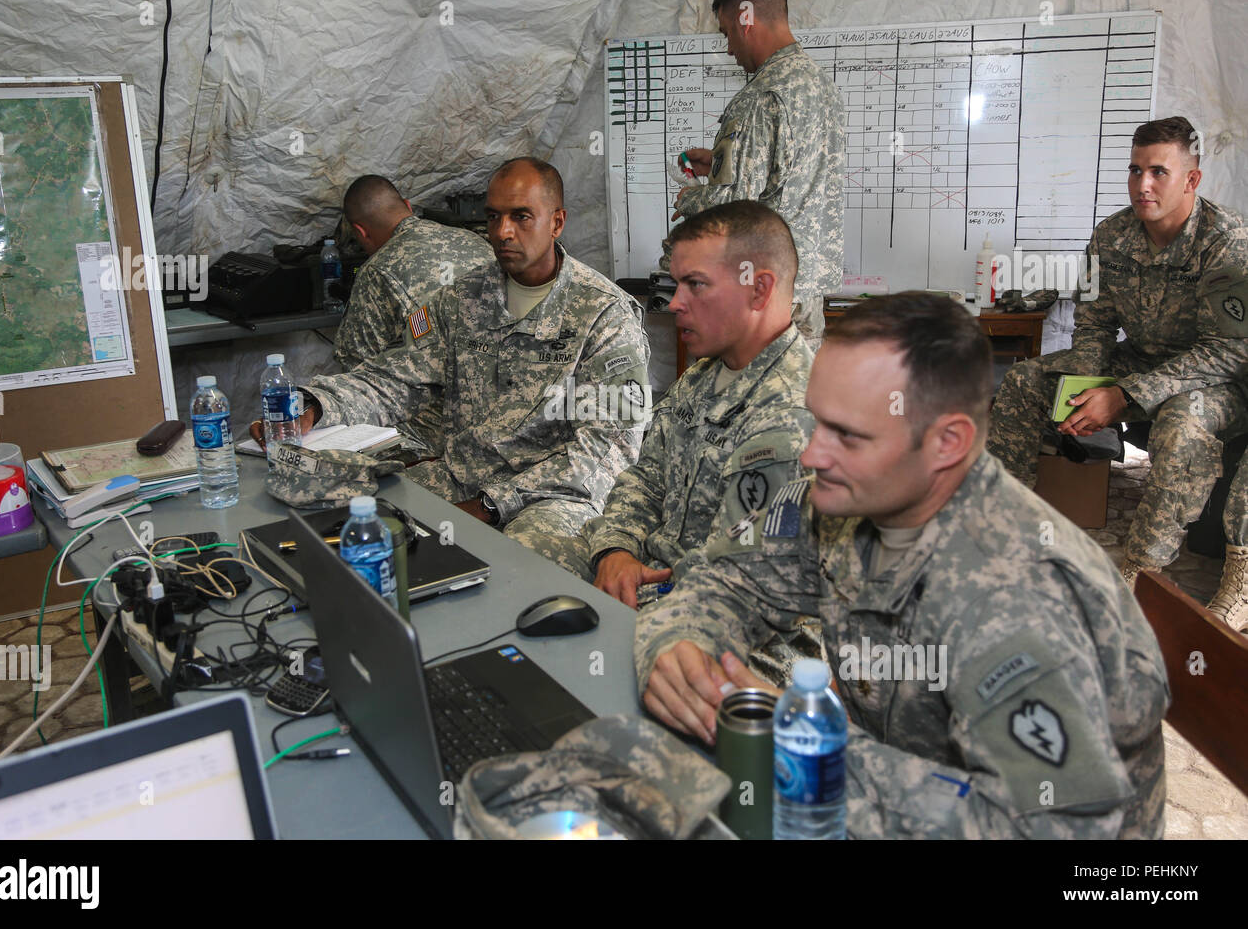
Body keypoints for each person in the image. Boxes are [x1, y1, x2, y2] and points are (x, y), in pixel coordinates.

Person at [636, 293, 1170, 838]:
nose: (812, 454)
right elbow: (725, 582)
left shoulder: (1022, 602)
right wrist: (677, 647)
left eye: (848, 434)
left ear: (947, 442)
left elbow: (1055, 828)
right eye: (818, 422)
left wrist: (810, 750)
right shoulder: (838, 501)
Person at [254, 157, 651, 547]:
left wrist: (491, 505)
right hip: (464, 477)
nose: (503, 232)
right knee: (352, 519)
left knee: (528, 557)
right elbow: (395, 378)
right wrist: (316, 406)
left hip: (553, 496)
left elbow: (608, 449)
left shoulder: (604, 313)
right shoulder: (464, 298)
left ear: (557, 222)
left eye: (521, 216)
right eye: (493, 217)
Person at [520, 201, 815, 677]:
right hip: (658, 583)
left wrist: (632, 592)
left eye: (695, 285)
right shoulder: (704, 376)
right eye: (676, 284)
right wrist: (615, 549)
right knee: (526, 570)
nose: (674, 302)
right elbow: (645, 475)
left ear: (759, 289)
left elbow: (736, 579)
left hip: (740, 636)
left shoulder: (793, 414)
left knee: (572, 669)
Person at [986, 117, 1248, 628]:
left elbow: (1228, 350)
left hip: (1210, 378)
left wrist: (1125, 394)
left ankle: (1141, 568)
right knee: (1024, 381)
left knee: (1180, 425)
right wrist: (1084, 393)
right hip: (1140, 359)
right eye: (1134, 170)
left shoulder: (1226, 240)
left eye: (1158, 172)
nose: (1142, 185)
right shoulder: (1112, 234)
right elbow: (1095, 323)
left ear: (1191, 180)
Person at [667, 0, 843, 343]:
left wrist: (692, 198)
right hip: (806, 289)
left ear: (746, 18)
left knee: (754, 397)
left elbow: (735, 205)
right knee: (800, 396)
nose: (729, 48)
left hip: (765, 292)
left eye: (727, 32)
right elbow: (784, 173)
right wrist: (717, 160)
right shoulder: (820, 84)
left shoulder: (761, 95)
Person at [333, 175, 495, 371]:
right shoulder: (476, 241)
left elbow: (355, 363)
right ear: (408, 207)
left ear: (361, 232)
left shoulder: (377, 270)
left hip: (441, 393)